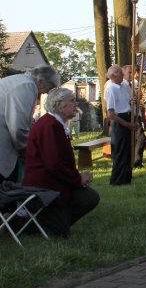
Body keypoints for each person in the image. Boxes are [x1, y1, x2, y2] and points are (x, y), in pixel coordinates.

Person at [22, 87, 100, 237]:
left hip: (55, 183)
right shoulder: (50, 126)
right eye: (71, 101)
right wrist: (78, 179)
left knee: (89, 197)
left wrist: (77, 177)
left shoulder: (55, 124)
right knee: (61, 230)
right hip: (46, 187)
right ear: (60, 106)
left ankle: (52, 222)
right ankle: (35, 224)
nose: (75, 104)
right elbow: (54, 164)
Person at [0, 65, 60, 183]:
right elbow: (19, 127)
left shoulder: (20, 81)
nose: (48, 92)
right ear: (40, 80)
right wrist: (27, 152)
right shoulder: (27, 86)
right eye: (50, 87)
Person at [105, 65, 135, 186]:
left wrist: (132, 102)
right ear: (112, 76)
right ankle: (117, 180)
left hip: (127, 115)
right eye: (119, 73)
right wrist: (127, 124)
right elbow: (111, 113)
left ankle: (126, 177)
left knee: (128, 150)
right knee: (120, 151)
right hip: (119, 120)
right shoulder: (111, 89)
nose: (123, 74)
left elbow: (128, 101)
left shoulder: (125, 86)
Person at [124, 65, 146, 168]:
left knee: (139, 138)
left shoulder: (132, 84)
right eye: (133, 73)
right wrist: (134, 99)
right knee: (141, 138)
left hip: (136, 113)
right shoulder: (129, 84)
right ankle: (136, 162)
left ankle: (135, 161)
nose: (136, 75)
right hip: (132, 114)